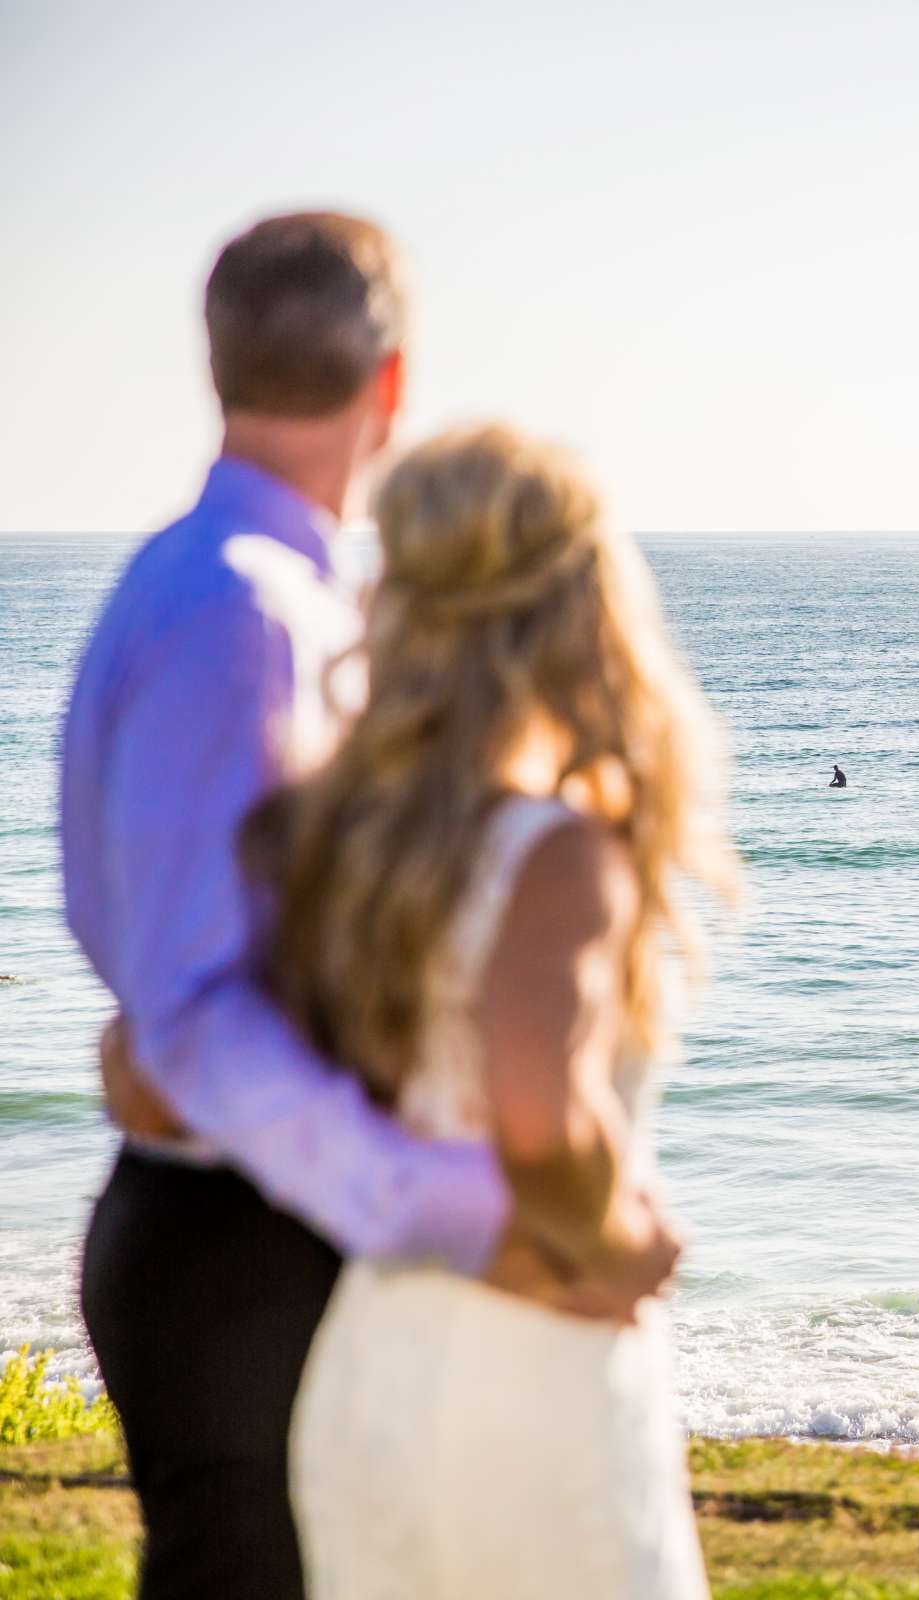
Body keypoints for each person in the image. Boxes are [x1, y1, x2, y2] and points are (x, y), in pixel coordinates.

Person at [59, 213, 673, 1600]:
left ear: (217, 365)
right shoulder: (245, 612)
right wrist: (454, 1210)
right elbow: (199, 1022)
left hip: (275, 1224)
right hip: (237, 1242)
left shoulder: (270, 592)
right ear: (389, 386)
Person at [260, 424, 734, 1598]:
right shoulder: (552, 851)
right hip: (537, 1366)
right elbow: (540, 1121)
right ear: (580, 604)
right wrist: (627, 1243)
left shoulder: (347, 837)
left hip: (373, 1355)